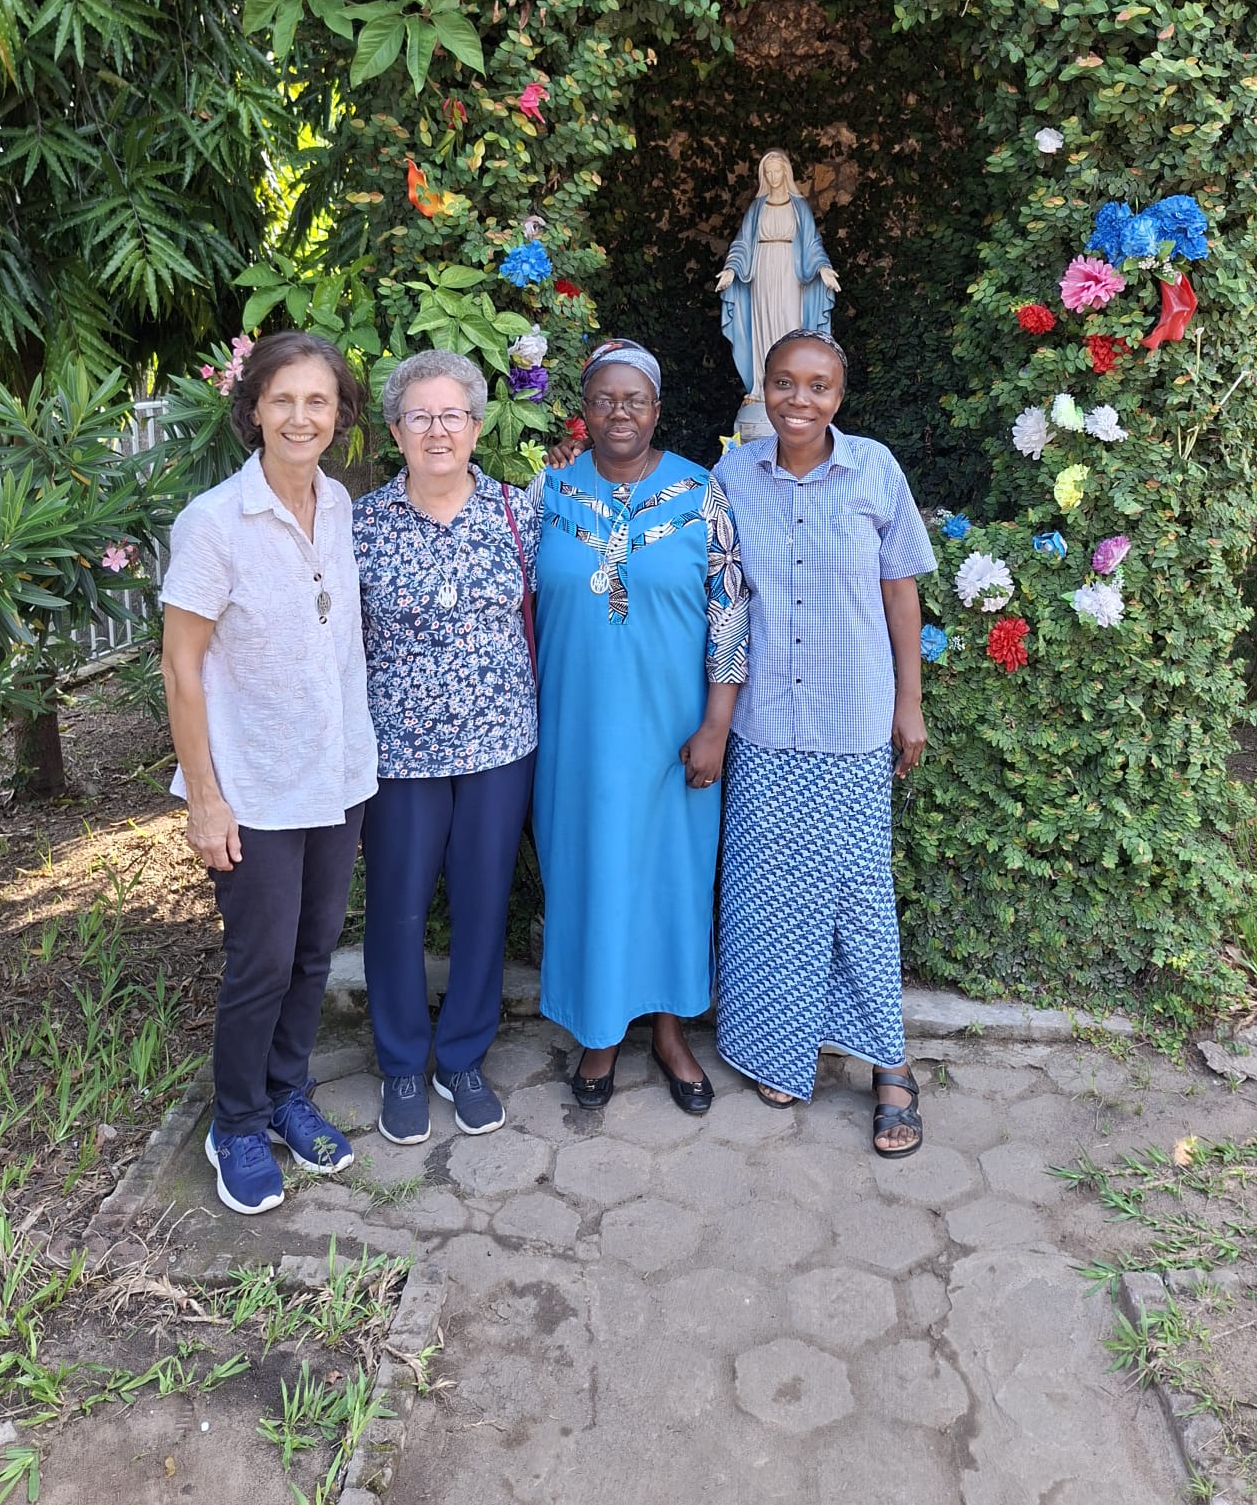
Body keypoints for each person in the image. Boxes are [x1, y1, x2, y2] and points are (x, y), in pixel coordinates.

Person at [161, 332, 378, 1215]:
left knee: (313, 952)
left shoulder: (340, 504)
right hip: (252, 786)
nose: (300, 417)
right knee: (260, 962)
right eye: (282, 399)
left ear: (339, 414)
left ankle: (287, 1094)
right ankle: (238, 1124)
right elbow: (180, 668)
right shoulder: (214, 523)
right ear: (253, 409)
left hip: (337, 776)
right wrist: (205, 801)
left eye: (317, 400)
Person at [713, 329, 936, 1158]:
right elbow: (724, 598)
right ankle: (781, 1048)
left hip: (851, 725)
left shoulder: (874, 469)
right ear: (763, 387)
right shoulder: (733, 475)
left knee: (858, 894)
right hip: (767, 723)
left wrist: (910, 703)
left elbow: (901, 594)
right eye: (784, 383)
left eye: (817, 386)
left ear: (839, 396)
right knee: (770, 893)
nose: (798, 400)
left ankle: (891, 1067)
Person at [534, 339, 749, 1113]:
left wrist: (717, 724)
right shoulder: (548, 492)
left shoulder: (700, 493)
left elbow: (730, 613)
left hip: (672, 733)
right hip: (577, 733)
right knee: (587, 871)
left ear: (657, 410)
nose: (619, 411)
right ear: (584, 412)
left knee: (672, 877)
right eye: (604, 399)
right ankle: (599, 1031)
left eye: (634, 399)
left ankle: (667, 1030)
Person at [353, 350, 540, 1147]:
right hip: (398, 754)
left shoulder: (516, 514)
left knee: (482, 905)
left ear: (477, 425)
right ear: (396, 431)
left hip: (500, 745)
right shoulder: (361, 525)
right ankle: (401, 1061)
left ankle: (461, 1057)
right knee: (396, 910)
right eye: (420, 416)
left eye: (452, 415)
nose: (438, 431)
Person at [716, 150, 840, 433]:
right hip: (762, 273)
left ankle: (791, 384)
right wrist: (732, 269)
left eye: (777, 171)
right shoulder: (757, 208)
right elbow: (743, 244)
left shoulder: (798, 207)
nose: (773, 177)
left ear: (786, 173)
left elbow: (812, 244)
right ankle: (761, 386)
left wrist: (823, 268)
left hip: (789, 274)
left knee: (788, 328)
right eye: (768, 172)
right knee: (762, 331)